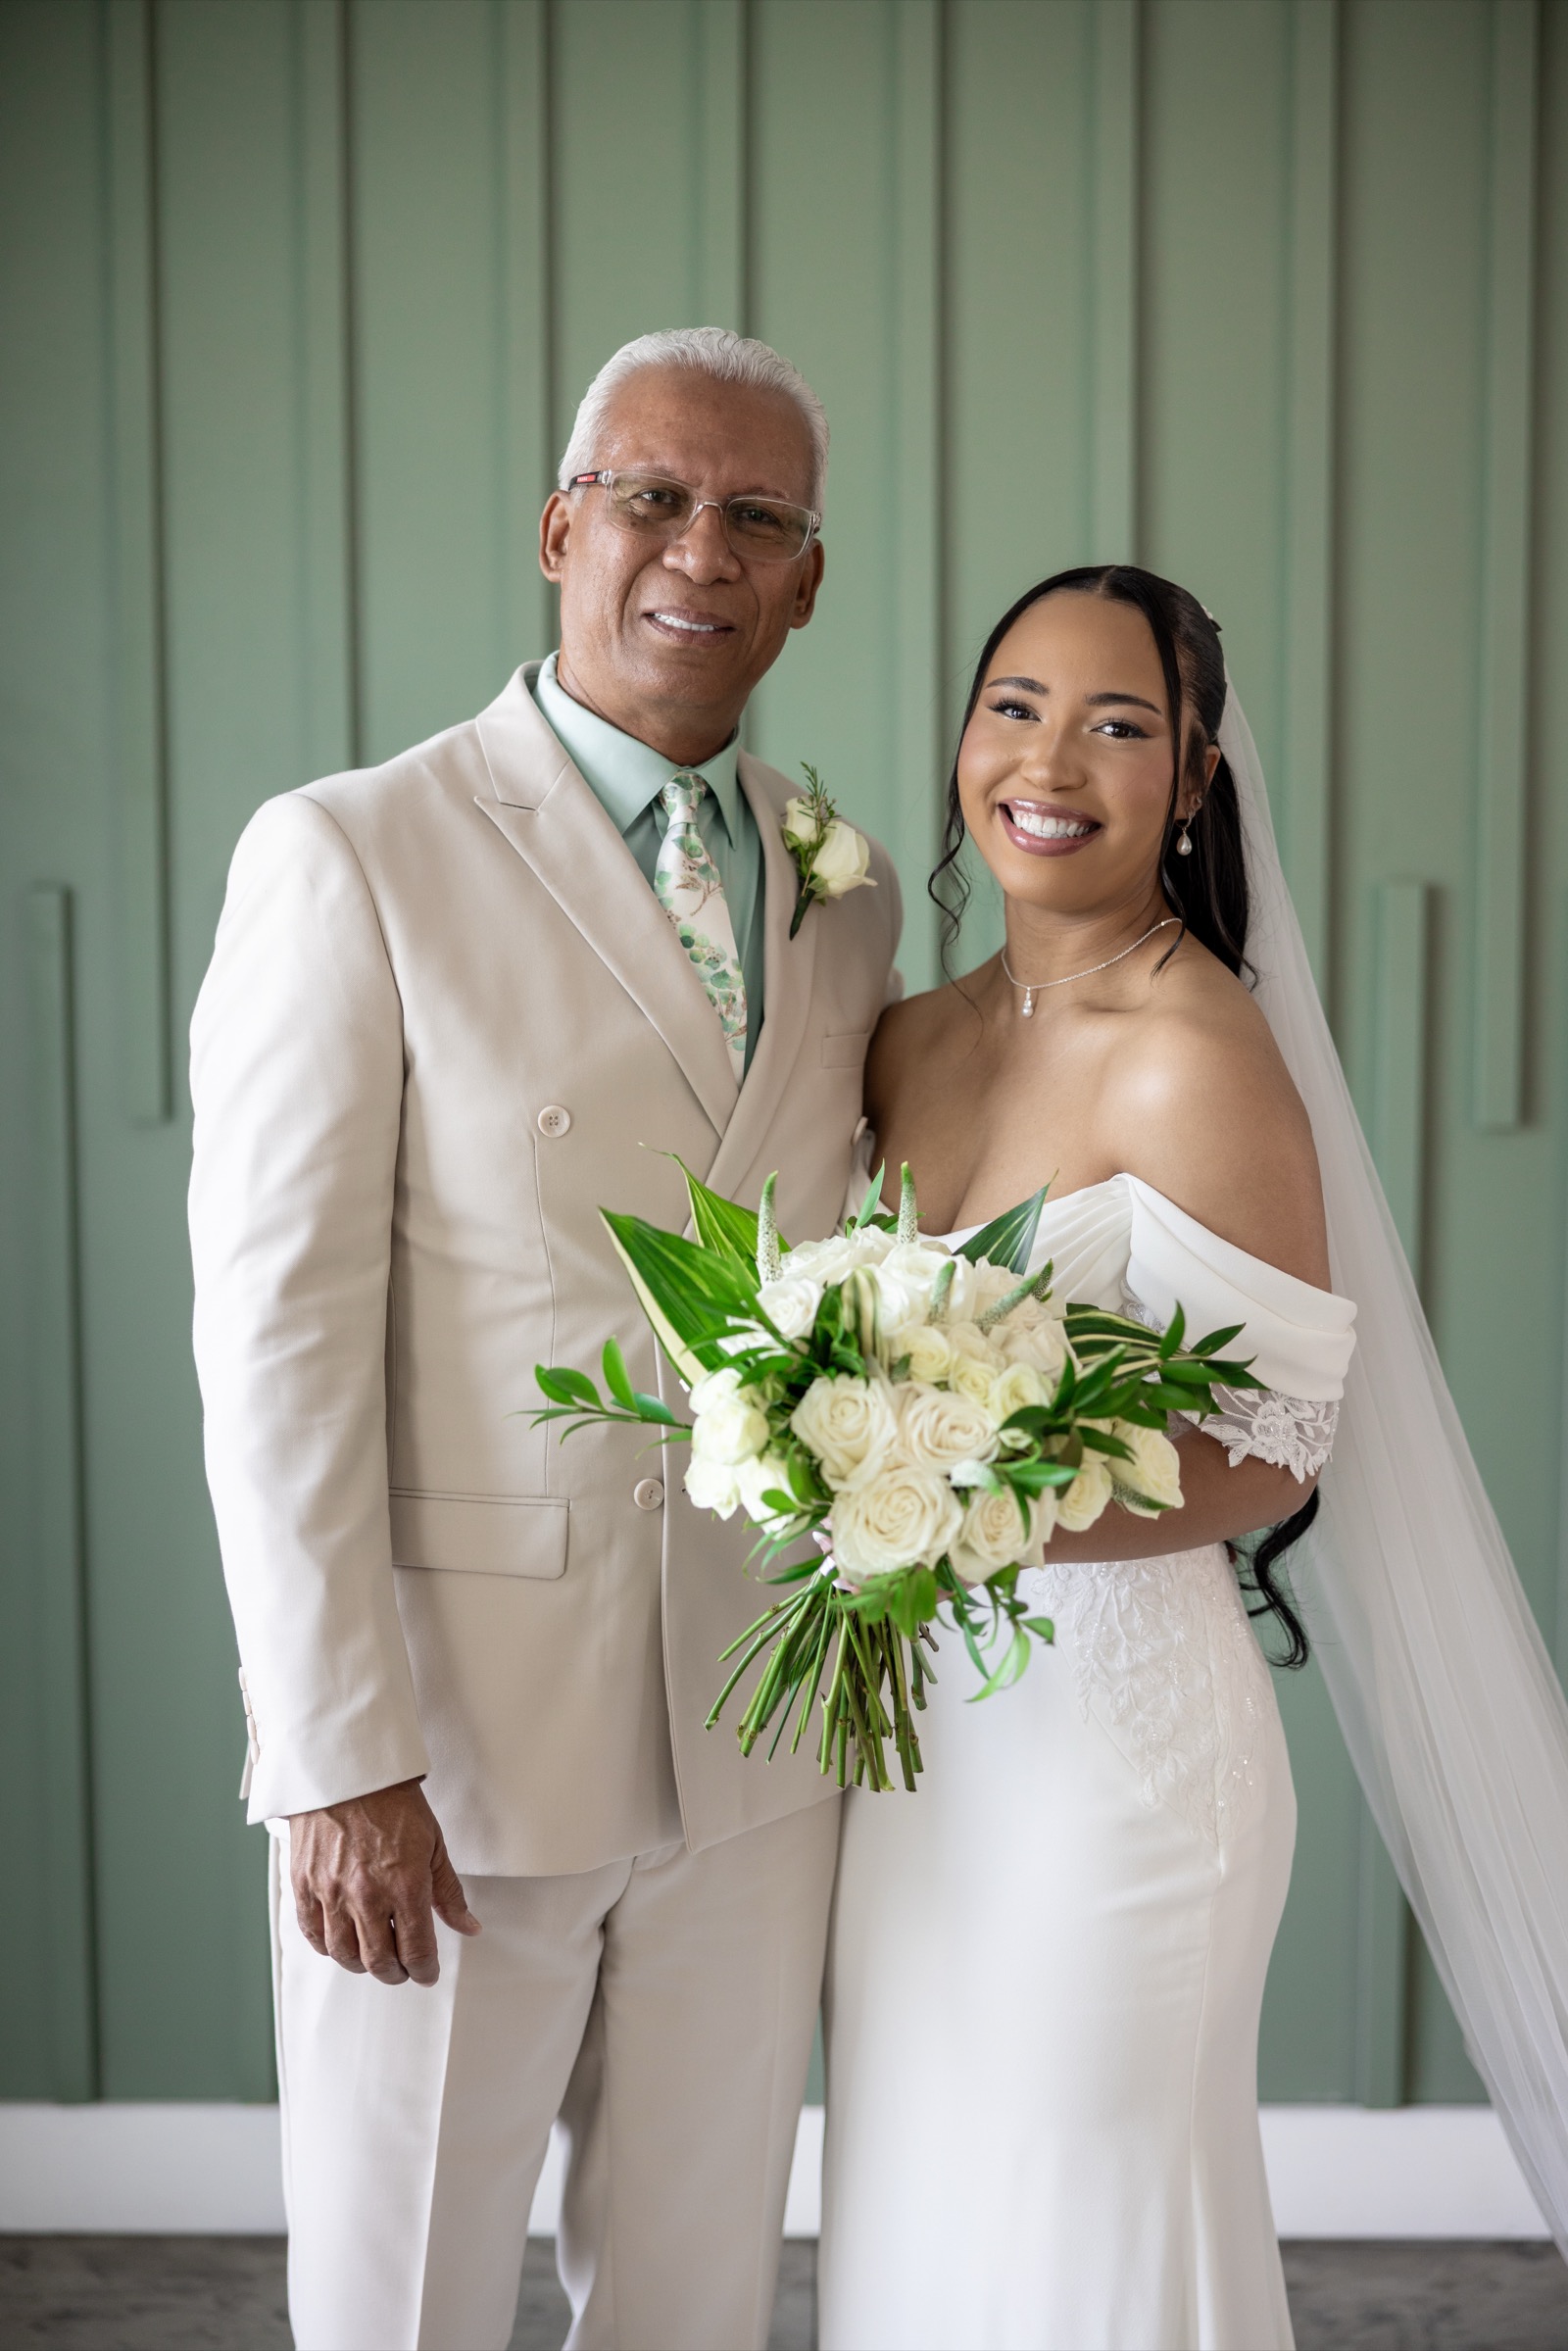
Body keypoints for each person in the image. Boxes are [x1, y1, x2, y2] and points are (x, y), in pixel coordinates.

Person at [188, 326, 901, 2351]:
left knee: (690, 2302)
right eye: (652, 497)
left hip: (751, 1728)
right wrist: (337, 1754)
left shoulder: (844, 893)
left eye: (756, 515)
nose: (701, 547)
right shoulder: (351, 851)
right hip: (454, 1746)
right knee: (401, 2302)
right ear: (556, 530)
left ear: (805, 581)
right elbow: (276, 1339)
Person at [818, 563, 1568, 2348]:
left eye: (1117, 724)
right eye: (1014, 707)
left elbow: (1280, 1449)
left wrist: (974, 1508)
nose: (1048, 761)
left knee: (1088, 2234)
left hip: (1116, 1768)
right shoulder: (911, 1037)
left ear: (1194, 779)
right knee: (928, 2211)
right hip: (919, 1761)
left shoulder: (1193, 1051)